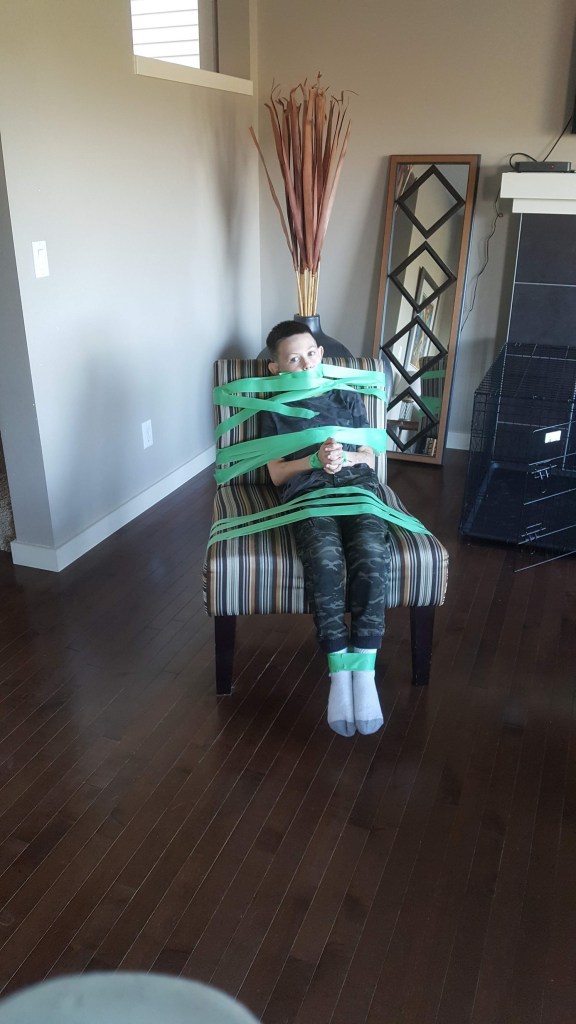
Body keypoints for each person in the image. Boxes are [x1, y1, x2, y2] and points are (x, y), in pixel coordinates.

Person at [259, 320, 391, 737]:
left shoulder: (345, 394)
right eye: (293, 358)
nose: (305, 363)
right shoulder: (273, 409)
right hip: (308, 493)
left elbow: (371, 454)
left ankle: (364, 671)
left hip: (357, 486)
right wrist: (314, 460)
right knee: (324, 556)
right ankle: (338, 670)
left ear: (321, 354)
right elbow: (276, 474)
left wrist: (346, 458)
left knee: (372, 550)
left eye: (311, 353)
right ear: (276, 368)